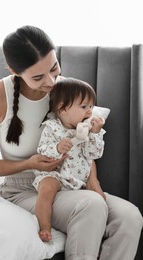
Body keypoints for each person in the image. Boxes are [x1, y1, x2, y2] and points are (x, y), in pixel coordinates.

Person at [0, 25, 143, 260]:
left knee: (130, 217)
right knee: (91, 206)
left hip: (69, 180)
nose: (52, 81)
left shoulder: (66, 90)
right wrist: (30, 163)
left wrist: (93, 180)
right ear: (15, 71)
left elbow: (82, 141)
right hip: (22, 188)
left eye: (54, 68)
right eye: (38, 77)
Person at [33, 77, 106, 242]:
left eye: (91, 107)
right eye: (83, 107)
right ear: (62, 109)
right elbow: (42, 150)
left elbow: (94, 154)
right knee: (46, 190)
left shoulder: (90, 132)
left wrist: (94, 133)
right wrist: (57, 148)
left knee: (100, 202)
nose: (89, 112)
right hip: (55, 174)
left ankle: (97, 239)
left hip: (77, 180)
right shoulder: (52, 127)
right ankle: (44, 226)